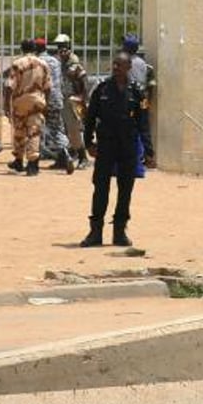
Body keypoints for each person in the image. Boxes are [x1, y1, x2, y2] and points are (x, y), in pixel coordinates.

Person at [80, 52, 155, 247]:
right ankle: (95, 232)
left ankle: (120, 231)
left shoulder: (138, 92)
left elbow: (144, 123)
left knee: (125, 189)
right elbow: (90, 118)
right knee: (101, 187)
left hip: (128, 146)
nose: (115, 68)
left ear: (128, 67)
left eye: (119, 65)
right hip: (106, 145)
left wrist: (148, 151)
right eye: (113, 65)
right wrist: (89, 142)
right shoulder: (102, 89)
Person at [5, 38, 51, 176]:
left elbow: (9, 86)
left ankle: (18, 160)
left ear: (22, 49)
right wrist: (46, 103)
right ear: (35, 49)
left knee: (19, 130)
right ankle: (32, 164)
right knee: (34, 132)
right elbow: (48, 87)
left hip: (20, 101)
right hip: (37, 101)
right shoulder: (43, 64)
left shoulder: (17, 64)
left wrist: (7, 104)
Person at [36, 36, 74, 174]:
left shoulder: (38, 61)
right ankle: (64, 156)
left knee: (39, 128)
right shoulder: (55, 61)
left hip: (44, 99)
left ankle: (37, 157)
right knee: (57, 128)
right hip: (57, 99)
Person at [56, 34, 91, 170]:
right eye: (59, 47)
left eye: (63, 48)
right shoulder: (61, 63)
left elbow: (84, 82)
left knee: (74, 129)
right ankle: (64, 157)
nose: (61, 51)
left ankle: (83, 157)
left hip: (73, 100)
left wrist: (82, 98)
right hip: (63, 99)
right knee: (62, 130)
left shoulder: (74, 65)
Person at [122, 34, 157, 169]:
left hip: (130, 99)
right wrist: (148, 102)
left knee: (128, 126)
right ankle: (149, 157)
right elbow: (151, 85)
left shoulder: (125, 62)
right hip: (143, 99)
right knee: (144, 128)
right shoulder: (145, 65)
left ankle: (131, 157)